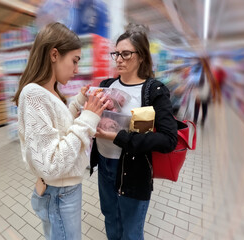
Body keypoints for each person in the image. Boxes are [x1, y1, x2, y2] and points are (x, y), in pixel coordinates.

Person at [12, 22, 109, 240]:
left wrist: (79, 103)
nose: (77, 69)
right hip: (60, 194)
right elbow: (52, 163)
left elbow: (59, 126)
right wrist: (88, 119)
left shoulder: (48, 92)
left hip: (63, 191)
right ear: (54, 54)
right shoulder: (34, 94)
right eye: (74, 61)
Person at [90, 24, 178, 240]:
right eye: (116, 54)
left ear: (141, 56)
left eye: (126, 54)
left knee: (131, 230)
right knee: (110, 217)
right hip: (104, 164)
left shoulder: (154, 90)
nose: (119, 59)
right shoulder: (106, 85)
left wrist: (118, 137)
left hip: (134, 170)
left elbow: (168, 140)